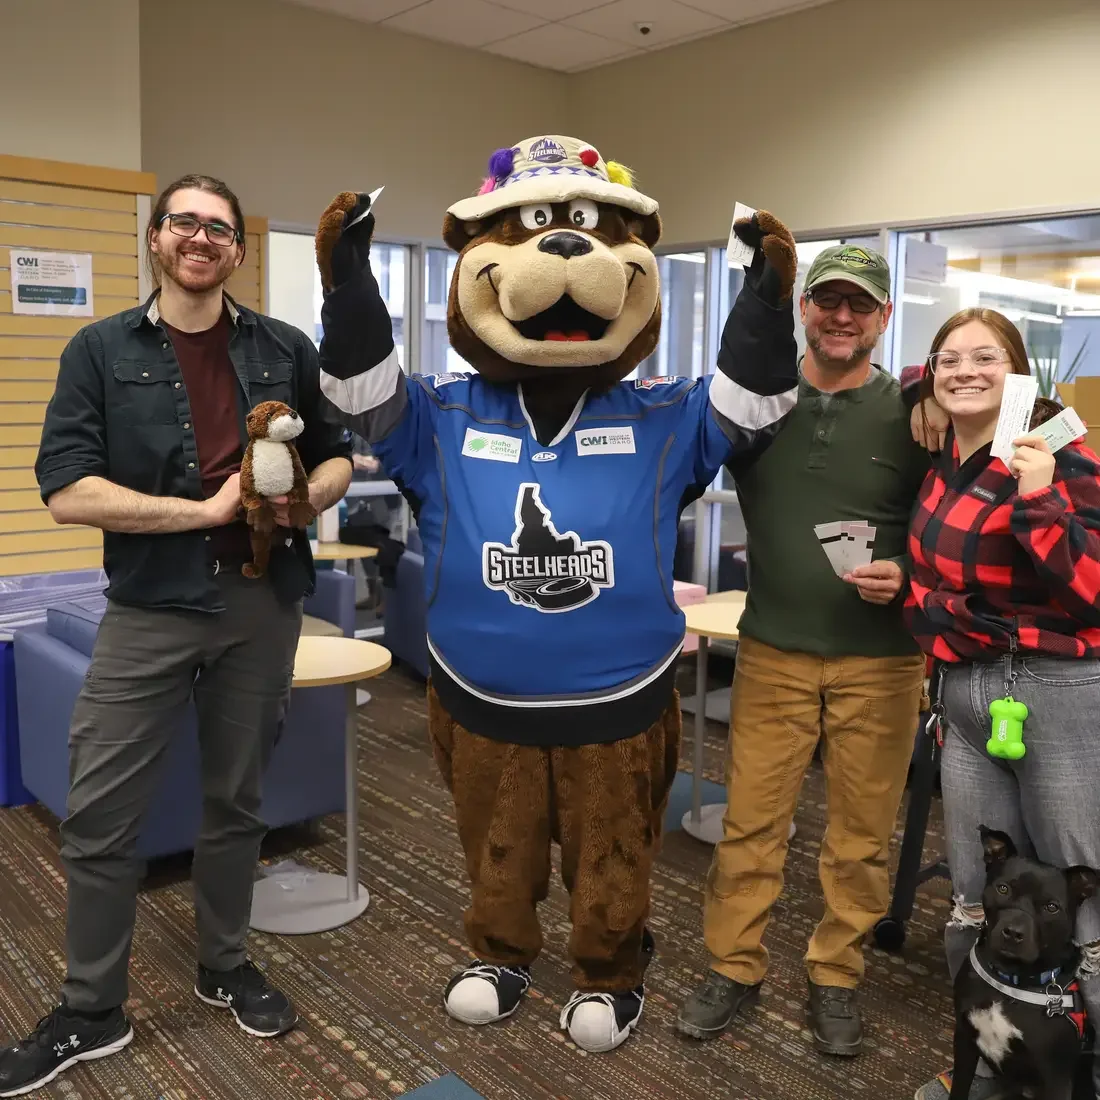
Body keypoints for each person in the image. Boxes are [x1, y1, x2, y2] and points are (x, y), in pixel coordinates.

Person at [0, 174, 352, 1097]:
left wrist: (297, 501)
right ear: (156, 239)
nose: (201, 238)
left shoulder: (285, 347)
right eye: (184, 223)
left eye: (219, 228)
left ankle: (224, 964)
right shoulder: (99, 350)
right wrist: (208, 510)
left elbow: (341, 453)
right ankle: (91, 1008)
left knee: (238, 802)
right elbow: (68, 489)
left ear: (239, 250)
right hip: (149, 609)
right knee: (101, 812)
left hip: (261, 606)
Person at [678, 244, 930, 1057]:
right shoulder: (756, 405)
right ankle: (733, 967)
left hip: (884, 662)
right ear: (804, 309)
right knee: (751, 825)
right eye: (828, 301)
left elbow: (962, 523)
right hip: (776, 652)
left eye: (861, 304)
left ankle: (836, 976)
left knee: (861, 833)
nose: (843, 317)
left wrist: (913, 571)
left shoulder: (915, 414)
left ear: (884, 317)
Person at [906, 308, 1100, 1100]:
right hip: (969, 691)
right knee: (977, 891)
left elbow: (1090, 591)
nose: (964, 371)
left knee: (1079, 895)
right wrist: (923, 604)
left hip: (1054, 690)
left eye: (985, 357)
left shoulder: (1061, 455)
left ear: (1018, 372)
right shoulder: (944, 459)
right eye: (948, 359)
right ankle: (988, 1059)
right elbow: (937, 573)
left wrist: (1040, 499)